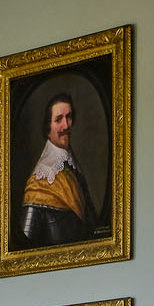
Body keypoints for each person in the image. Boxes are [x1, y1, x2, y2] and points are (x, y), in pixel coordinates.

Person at [17, 92, 93, 247]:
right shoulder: (38, 181)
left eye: (69, 117)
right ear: (47, 128)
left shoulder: (74, 170)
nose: (66, 126)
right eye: (58, 119)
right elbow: (25, 243)